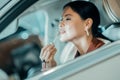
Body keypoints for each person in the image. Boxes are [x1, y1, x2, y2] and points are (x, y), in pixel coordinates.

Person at [40, 1, 109, 71]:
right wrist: (49, 67)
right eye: (61, 20)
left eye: (67, 19)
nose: (60, 24)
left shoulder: (105, 52)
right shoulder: (69, 49)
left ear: (87, 24)